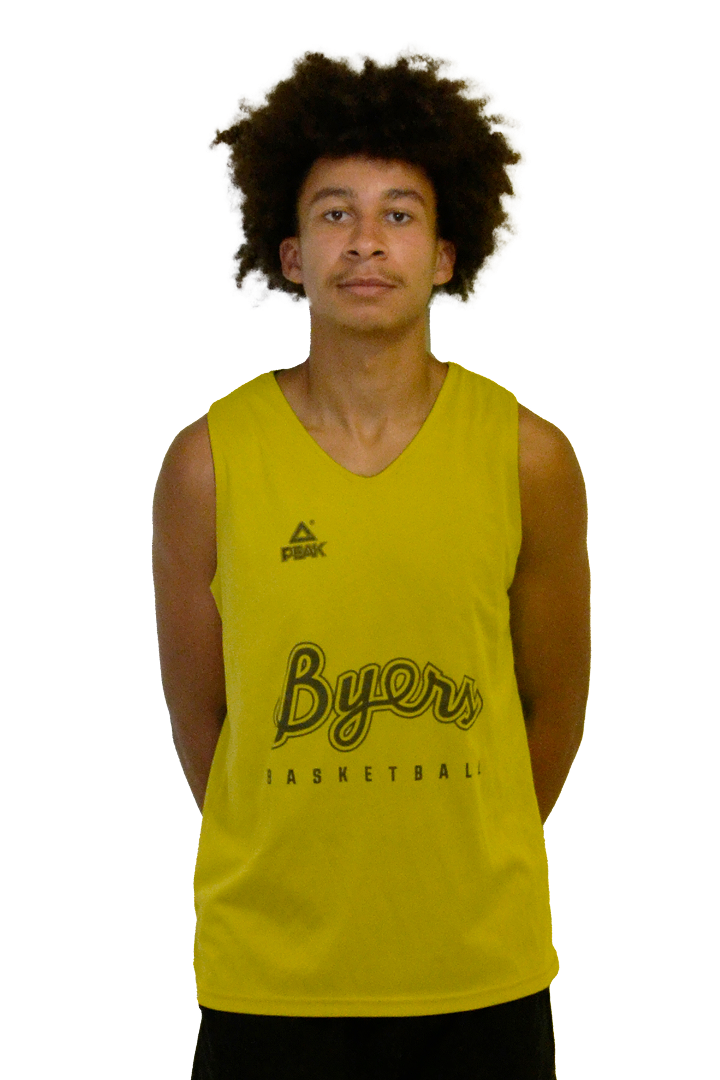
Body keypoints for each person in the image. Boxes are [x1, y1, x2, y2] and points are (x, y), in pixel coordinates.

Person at [152, 41, 591, 1080]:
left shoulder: (529, 457)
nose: (365, 241)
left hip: (479, 972)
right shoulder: (206, 463)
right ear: (290, 254)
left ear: (444, 254)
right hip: (271, 979)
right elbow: (205, 725)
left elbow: (553, 708)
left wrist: (453, 853)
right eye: (334, 213)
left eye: (399, 213)